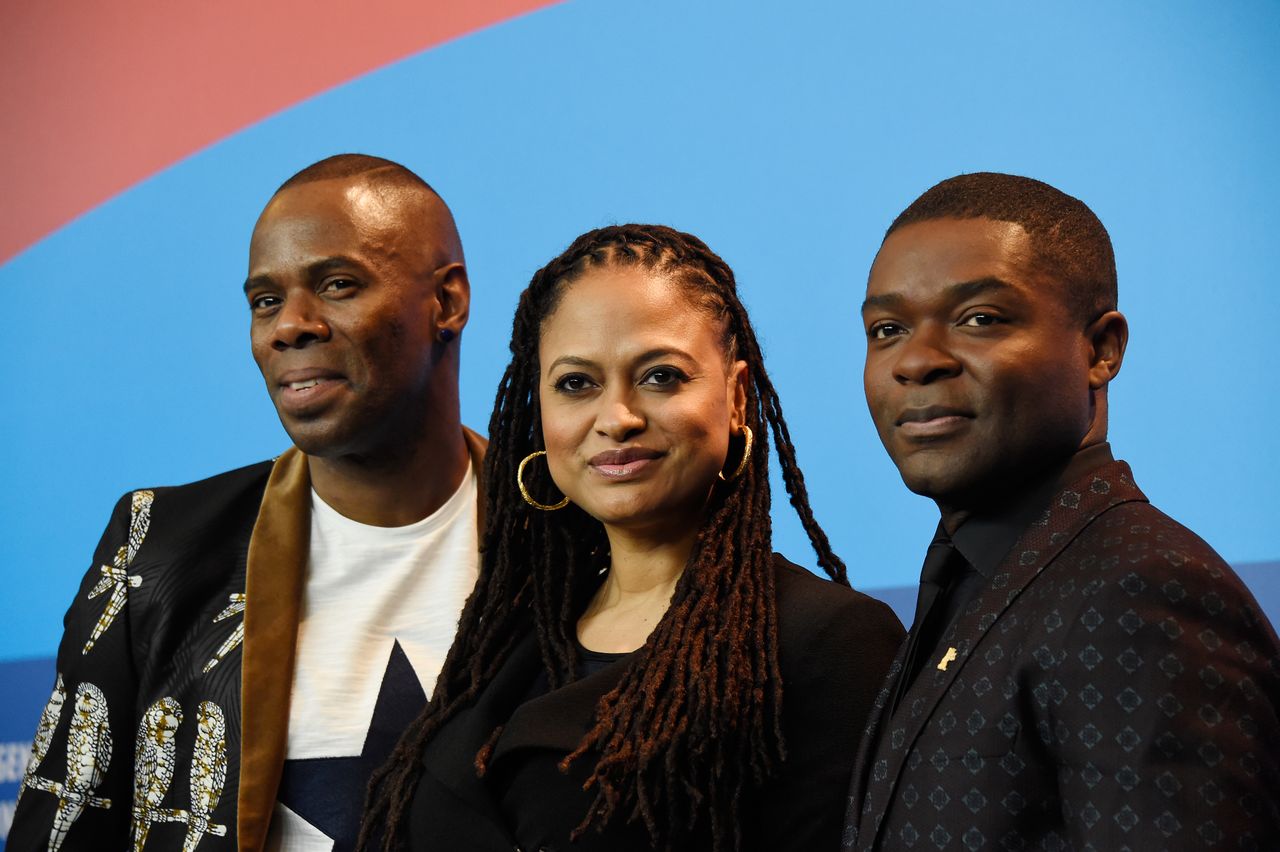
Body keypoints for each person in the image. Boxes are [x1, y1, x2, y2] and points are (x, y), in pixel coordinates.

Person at [359, 224, 903, 852]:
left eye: (661, 376)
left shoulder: (832, 642)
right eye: (576, 383)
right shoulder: (511, 640)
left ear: (735, 396)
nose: (617, 418)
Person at [9, 154, 484, 852]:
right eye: (265, 301)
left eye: (338, 284)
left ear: (446, 302)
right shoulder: (159, 550)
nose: (288, 326)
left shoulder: (576, 537)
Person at [843, 172, 1280, 850]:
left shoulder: (1138, 592)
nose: (917, 361)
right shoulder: (979, 580)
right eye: (888, 329)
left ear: (1101, 349)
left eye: (980, 319)